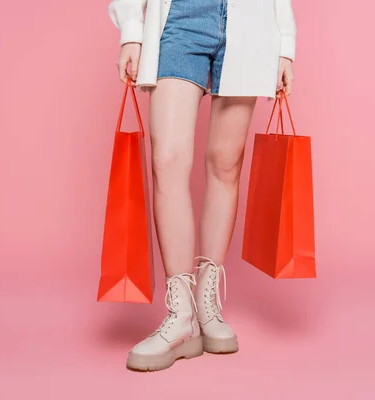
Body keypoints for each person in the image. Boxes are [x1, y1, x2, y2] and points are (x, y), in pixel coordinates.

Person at [108, 0, 296, 371]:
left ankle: (206, 304)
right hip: (180, 19)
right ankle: (181, 317)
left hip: (250, 21)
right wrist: (131, 30)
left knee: (226, 164)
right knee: (168, 160)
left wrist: (284, 44)